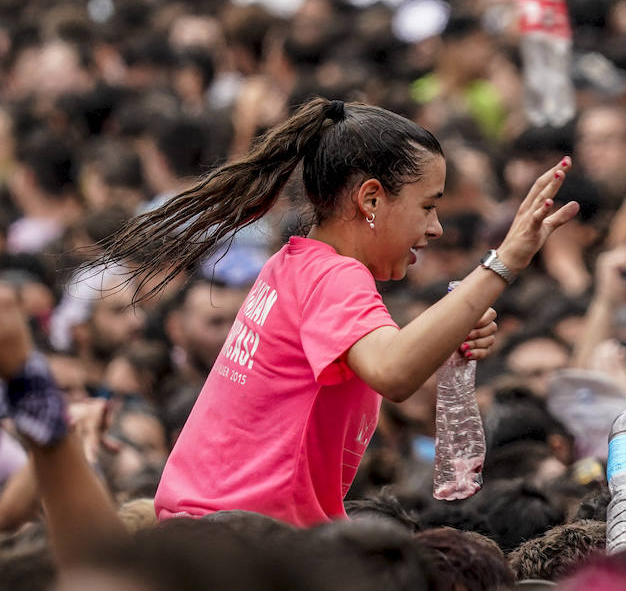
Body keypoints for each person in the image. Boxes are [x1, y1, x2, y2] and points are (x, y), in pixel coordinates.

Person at [93, 98, 579, 527]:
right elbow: (394, 371)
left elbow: (385, 355)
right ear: (370, 199)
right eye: (428, 207)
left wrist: (448, 328)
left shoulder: (293, 264)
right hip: (238, 543)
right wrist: (505, 261)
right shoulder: (333, 275)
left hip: (216, 532)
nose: (435, 229)